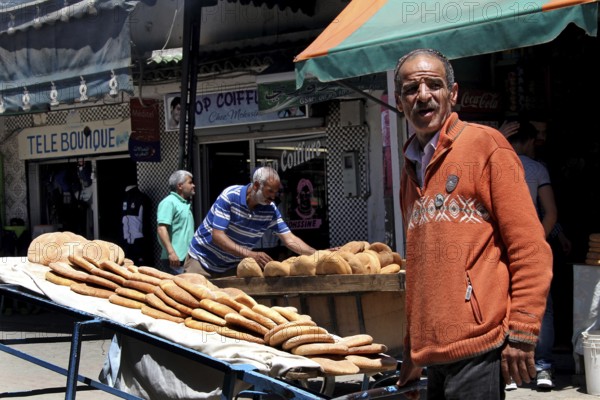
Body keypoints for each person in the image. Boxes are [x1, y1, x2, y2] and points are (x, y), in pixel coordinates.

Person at [394, 48, 553, 399]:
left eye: (433, 85)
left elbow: (529, 246)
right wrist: (411, 351)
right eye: (411, 89)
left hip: (478, 346)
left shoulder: (486, 146)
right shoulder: (410, 165)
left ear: (452, 94)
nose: (423, 96)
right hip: (432, 353)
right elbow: (419, 268)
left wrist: (523, 332)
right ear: (400, 100)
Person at [184, 166, 316, 278]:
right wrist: (250, 254)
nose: (273, 197)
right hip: (201, 262)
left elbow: (289, 239)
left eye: (276, 192)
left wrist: (318, 255)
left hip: (231, 267)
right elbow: (218, 236)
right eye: (270, 191)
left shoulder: (270, 209)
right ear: (257, 185)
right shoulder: (230, 196)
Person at [156, 170, 195, 274]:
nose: (193, 185)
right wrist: (171, 253)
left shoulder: (184, 204)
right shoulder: (169, 202)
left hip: (187, 258)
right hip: (175, 260)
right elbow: (161, 228)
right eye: (190, 182)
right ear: (180, 186)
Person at [121, 183, 151, 266]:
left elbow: (145, 221)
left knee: (141, 266)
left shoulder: (142, 198)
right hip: (127, 240)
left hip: (139, 240)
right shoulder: (124, 198)